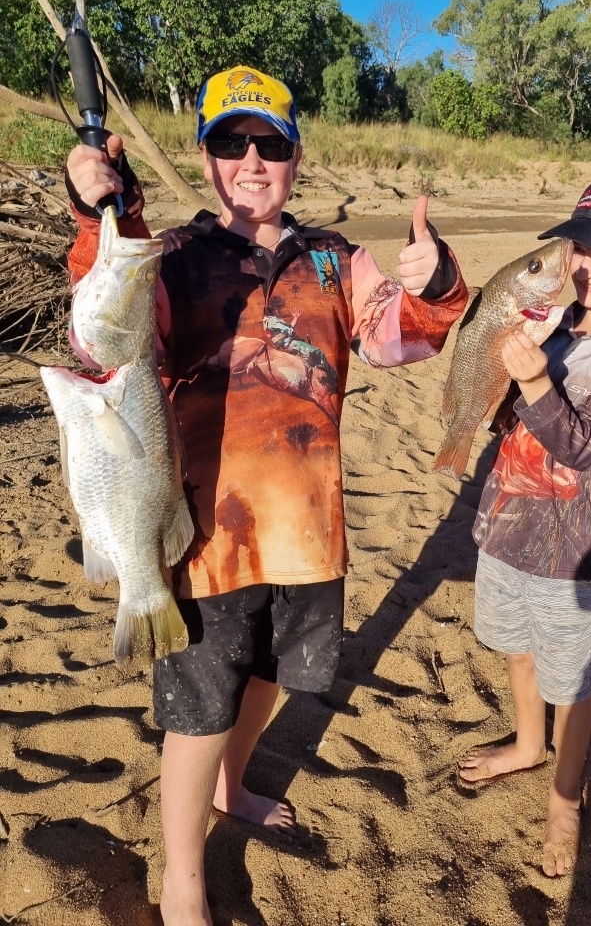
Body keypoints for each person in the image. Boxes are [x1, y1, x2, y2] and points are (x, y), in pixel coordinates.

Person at [64, 65, 468, 926]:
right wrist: (99, 207)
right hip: (204, 536)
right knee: (198, 710)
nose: (251, 161)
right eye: (229, 142)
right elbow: (106, 317)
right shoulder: (168, 257)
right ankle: (182, 882)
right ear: (205, 157)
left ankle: (233, 789)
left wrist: (434, 284)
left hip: (307, 533)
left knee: (268, 680)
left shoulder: (336, 259)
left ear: (295, 155)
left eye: (270, 144)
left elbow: (405, 341)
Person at [455, 172, 591, 877]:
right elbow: (498, 405)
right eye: (580, 246)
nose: (584, 265)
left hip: (573, 552)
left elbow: (588, 449)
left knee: (570, 681)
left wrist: (534, 380)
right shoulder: (553, 319)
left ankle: (563, 797)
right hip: (507, 524)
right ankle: (526, 744)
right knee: (517, 650)